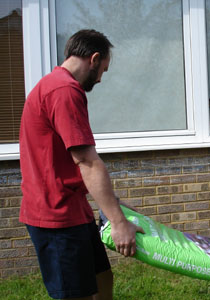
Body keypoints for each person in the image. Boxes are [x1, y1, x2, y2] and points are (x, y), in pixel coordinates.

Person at [19, 29, 144, 300]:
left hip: (73, 208)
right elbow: (87, 161)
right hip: (57, 217)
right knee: (78, 294)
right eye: (103, 70)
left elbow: (68, 161)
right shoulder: (64, 90)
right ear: (94, 58)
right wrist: (118, 222)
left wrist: (113, 203)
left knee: (102, 280)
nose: (100, 79)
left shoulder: (54, 84)